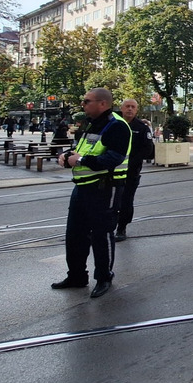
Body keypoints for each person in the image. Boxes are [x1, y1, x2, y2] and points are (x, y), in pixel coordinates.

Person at [52, 88, 132, 298]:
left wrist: (78, 160)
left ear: (102, 104)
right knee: (75, 234)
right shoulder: (92, 123)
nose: (83, 104)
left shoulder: (117, 126)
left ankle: (104, 277)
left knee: (102, 233)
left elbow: (112, 159)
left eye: (87, 101)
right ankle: (77, 276)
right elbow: (84, 150)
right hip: (83, 186)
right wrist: (67, 156)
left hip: (105, 187)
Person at [115, 99, 155, 242]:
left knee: (126, 201)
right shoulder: (114, 124)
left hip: (131, 172)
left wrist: (131, 162)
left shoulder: (141, 128)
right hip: (111, 171)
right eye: (127, 106)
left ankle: (121, 228)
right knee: (110, 200)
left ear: (137, 110)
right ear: (122, 108)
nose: (130, 109)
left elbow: (148, 149)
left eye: (133, 107)